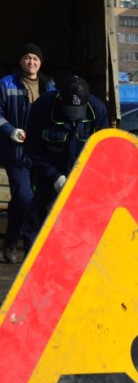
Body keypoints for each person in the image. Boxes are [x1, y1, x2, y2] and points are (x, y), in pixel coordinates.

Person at [23, 75, 109, 248]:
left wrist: (86, 179)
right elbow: (34, 148)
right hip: (47, 170)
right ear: (60, 99)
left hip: (83, 175)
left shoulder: (97, 110)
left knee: (84, 223)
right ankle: (32, 264)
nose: (74, 118)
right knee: (35, 216)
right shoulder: (42, 108)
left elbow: (104, 151)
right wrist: (56, 177)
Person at [0, 43, 54, 264]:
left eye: (35, 59)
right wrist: (10, 131)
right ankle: (11, 242)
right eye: (27, 58)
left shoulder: (49, 85)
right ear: (21, 61)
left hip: (41, 153)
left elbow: (54, 113)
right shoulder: (6, 84)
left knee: (38, 201)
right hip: (17, 153)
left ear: (40, 63)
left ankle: (32, 248)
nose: (31, 62)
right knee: (24, 197)